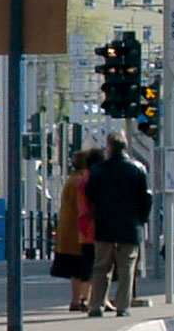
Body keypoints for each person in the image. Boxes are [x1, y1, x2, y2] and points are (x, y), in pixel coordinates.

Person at [82, 133, 152, 319]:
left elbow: (90, 195)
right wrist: (141, 219)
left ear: (109, 147)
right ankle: (123, 307)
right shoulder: (138, 169)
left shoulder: (98, 170)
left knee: (101, 267)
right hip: (130, 226)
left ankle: (96, 305)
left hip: (105, 224)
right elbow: (146, 197)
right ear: (126, 147)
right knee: (126, 268)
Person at [55, 147, 95, 313]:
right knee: (87, 267)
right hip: (81, 230)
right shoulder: (83, 180)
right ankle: (86, 299)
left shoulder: (71, 179)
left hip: (69, 230)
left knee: (75, 270)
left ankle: (75, 299)